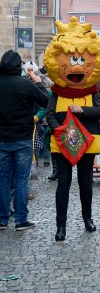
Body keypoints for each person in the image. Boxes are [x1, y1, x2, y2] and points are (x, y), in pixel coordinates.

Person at [45, 17, 100, 241]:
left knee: (85, 183)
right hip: (62, 144)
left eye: (81, 60)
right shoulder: (56, 91)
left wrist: (81, 110)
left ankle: (87, 218)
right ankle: (60, 226)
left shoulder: (91, 91)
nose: (77, 66)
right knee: (63, 184)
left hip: (87, 143)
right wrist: (58, 130)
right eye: (72, 60)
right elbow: (50, 114)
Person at [0, 50, 49, 230]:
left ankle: (2, 219)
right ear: (18, 66)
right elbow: (46, 102)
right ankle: (21, 220)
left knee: (3, 180)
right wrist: (39, 84)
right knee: (21, 179)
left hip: (2, 139)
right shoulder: (25, 84)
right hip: (22, 138)